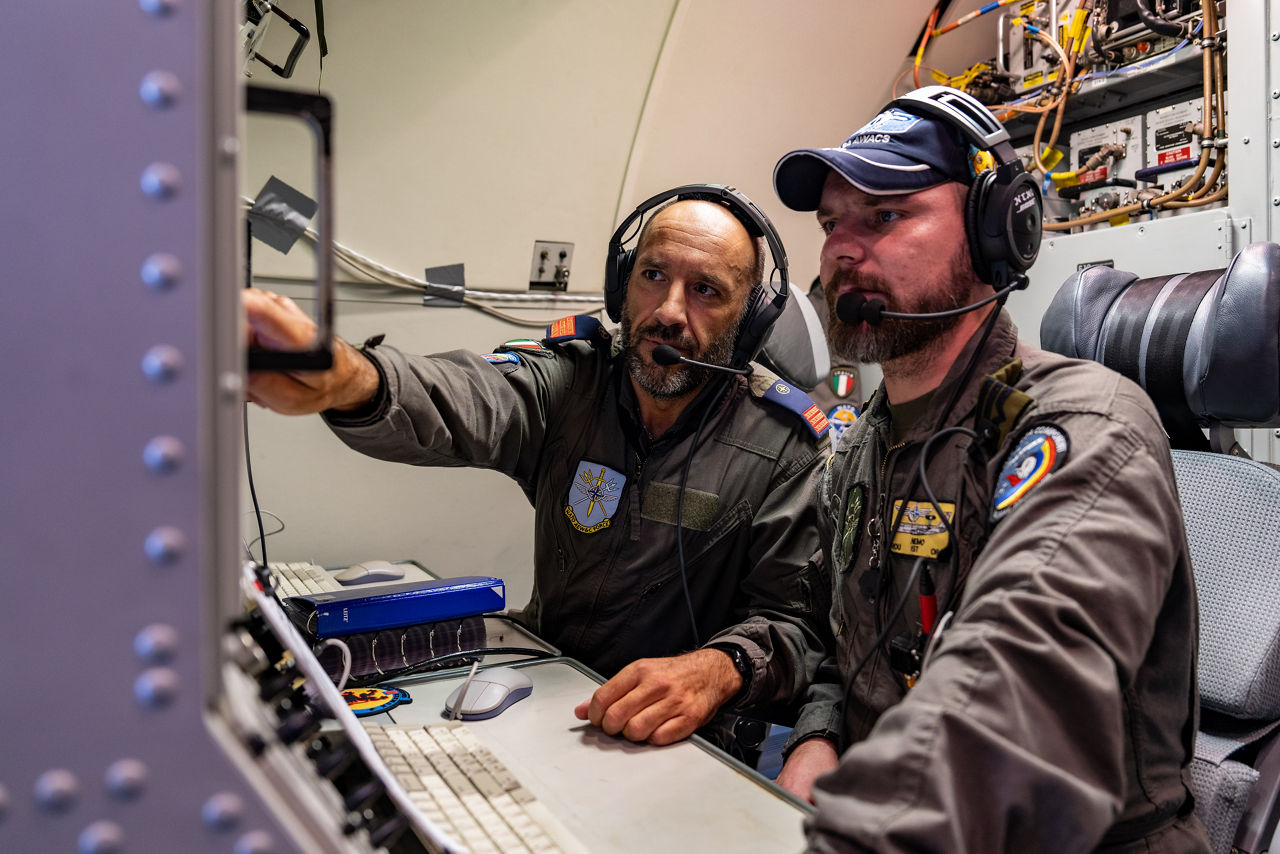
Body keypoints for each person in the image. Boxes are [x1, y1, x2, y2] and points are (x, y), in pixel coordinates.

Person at [577, 89, 1211, 851]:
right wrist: (820, 735)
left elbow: (1014, 691)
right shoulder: (857, 451)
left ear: (994, 231)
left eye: (885, 215)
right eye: (831, 224)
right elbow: (842, 643)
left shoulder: (1079, 426)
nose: (844, 247)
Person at [243, 187, 830, 712]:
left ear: (749, 319)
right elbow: (469, 396)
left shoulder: (784, 444)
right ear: (622, 282)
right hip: (544, 677)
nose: (670, 312)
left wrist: (720, 669)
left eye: (705, 290)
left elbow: (795, 628)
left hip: (681, 731)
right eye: (653, 275)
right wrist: (354, 378)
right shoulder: (572, 378)